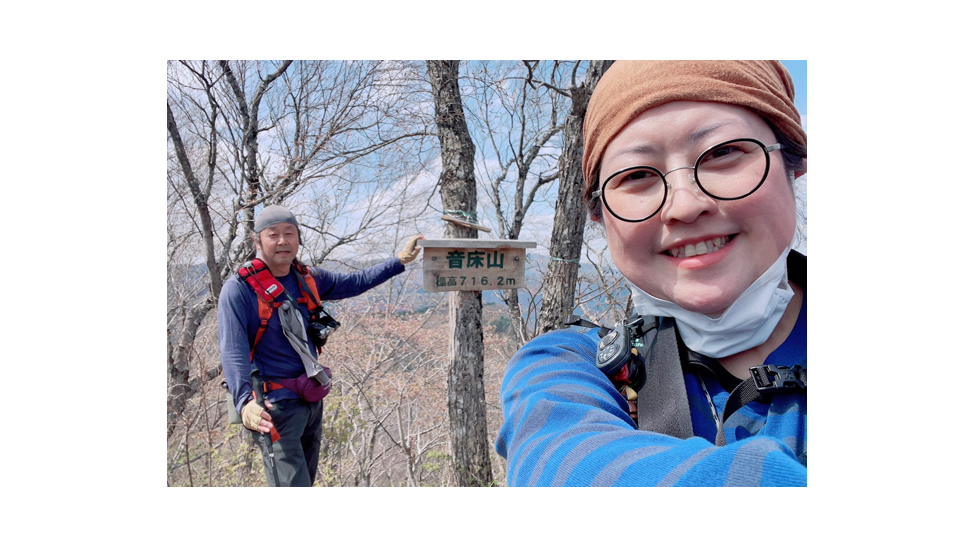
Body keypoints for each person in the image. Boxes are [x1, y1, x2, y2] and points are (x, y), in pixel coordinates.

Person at [494, 61, 807, 486]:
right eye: (637, 175)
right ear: (600, 215)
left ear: (793, 164)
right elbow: (557, 461)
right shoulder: (572, 367)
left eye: (723, 153)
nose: (684, 206)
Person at [219, 204, 423, 487]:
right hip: (273, 408)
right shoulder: (239, 288)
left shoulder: (305, 278)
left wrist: (399, 261)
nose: (282, 241)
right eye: (273, 234)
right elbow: (233, 350)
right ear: (257, 241)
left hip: (310, 400)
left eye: (289, 233)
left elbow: (354, 282)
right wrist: (244, 402)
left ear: (298, 238)